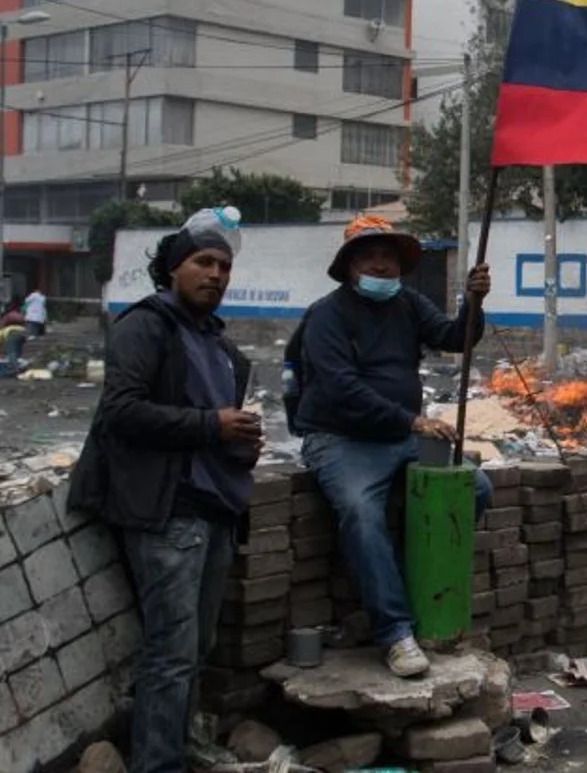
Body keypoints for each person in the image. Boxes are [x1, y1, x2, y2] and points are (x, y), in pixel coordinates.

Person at [66, 208, 261, 773]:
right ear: (174, 269)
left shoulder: (222, 347)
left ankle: (176, 745)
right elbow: (121, 412)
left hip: (215, 506)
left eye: (224, 266)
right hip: (164, 509)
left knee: (195, 649)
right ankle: (157, 763)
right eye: (203, 262)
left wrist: (237, 440)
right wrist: (211, 426)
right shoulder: (144, 326)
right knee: (170, 653)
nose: (216, 274)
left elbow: (215, 421)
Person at [295, 215, 494, 680]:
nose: (382, 265)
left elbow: (454, 338)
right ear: (349, 266)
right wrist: (414, 420)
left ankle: (414, 583)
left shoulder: (408, 304)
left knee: (474, 488)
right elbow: (343, 389)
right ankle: (394, 631)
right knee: (361, 514)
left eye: (389, 257)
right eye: (370, 256)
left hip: (400, 437)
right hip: (342, 439)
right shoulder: (326, 315)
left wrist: (474, 302)